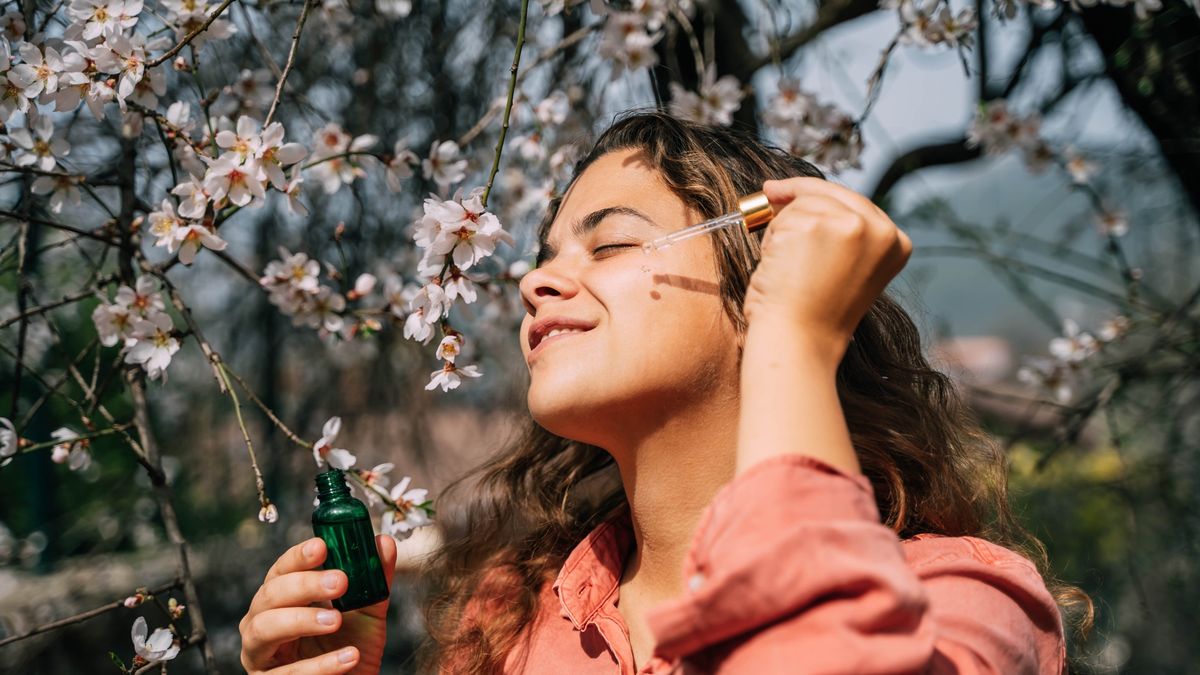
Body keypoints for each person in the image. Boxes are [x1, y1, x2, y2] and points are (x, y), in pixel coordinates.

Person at [239, 111, 1090, 674]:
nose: (538, 281)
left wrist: (794, 333)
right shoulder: (512, 622)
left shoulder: (964, 603)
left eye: (608, 245)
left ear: (764, 283)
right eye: (546, 253)